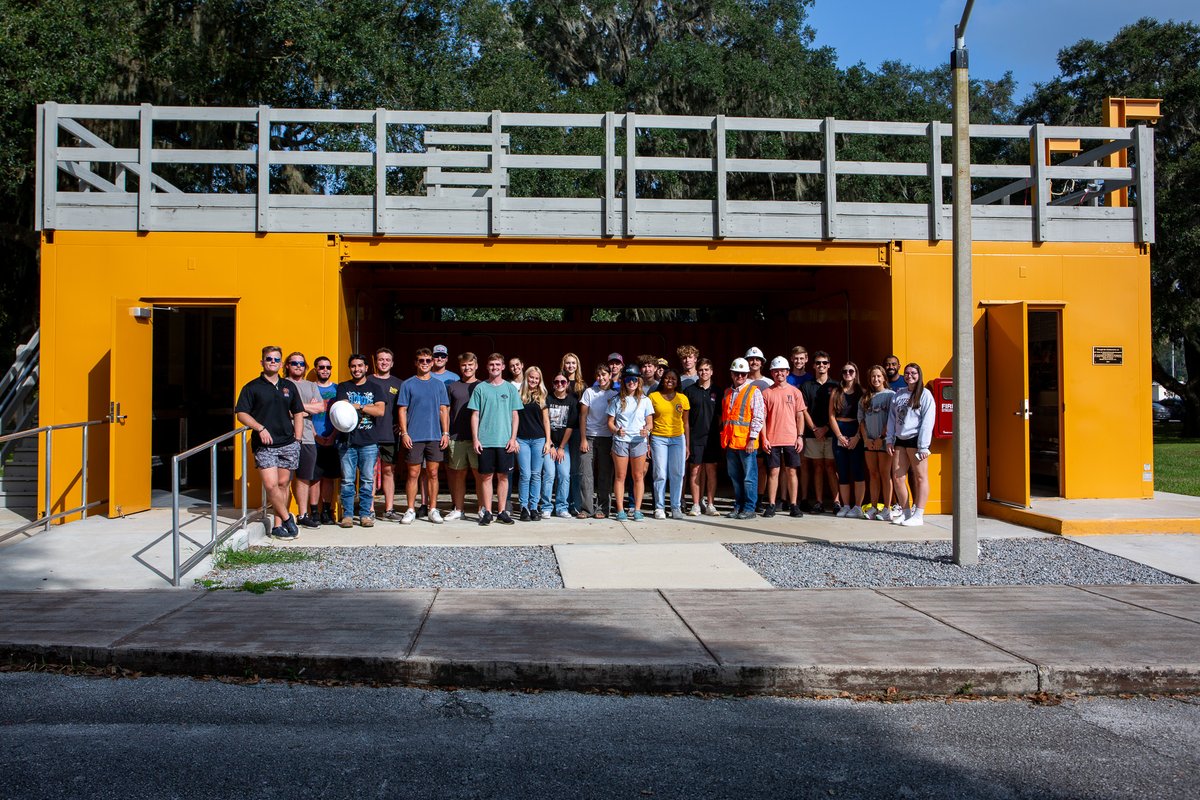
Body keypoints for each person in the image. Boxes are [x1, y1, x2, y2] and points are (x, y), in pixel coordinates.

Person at [235, 345, 305, 539]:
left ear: (281, 363)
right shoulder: (252, 387)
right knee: (271, 485)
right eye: (269, 359)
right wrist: (259, 427)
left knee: (283, 484)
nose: (272, 362)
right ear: (262, 362)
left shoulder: (289, 386)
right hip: (264, 445)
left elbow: (298, 412)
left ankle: (278, 526)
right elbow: (241, 413)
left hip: (288, 443)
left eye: (276, 359)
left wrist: (298, 438)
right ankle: (287, 517)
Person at [398, 348, 451, 525]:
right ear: (416, 362)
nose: (425, 363)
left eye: (428, 360)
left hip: (435, 436)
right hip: (414, 436)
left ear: (433, 362)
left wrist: (445, 432)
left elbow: (444, 410)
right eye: (422, 360)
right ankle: (411, 509)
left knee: (433, 473)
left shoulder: (439, 385)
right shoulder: (408, 384)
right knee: (413, 473)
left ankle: (432, 509)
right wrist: (404, 433)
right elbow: (402, 410)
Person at [469, 353, 522, 525]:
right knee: (486, 477)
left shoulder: (510, 389)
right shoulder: (480, 388)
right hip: (485, 441)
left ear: (503, 366)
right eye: (491, 364)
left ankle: (502, 512)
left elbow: (515, 416)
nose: (495, 367)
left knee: (503, 477)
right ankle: (487, 512)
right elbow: (475, 415)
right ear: (487, 366)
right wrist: (476, 439)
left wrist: (513, 439)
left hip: (504, 441)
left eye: (498, 364)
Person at [334, 353, 386, 527]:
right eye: (353, 366)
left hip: (369, 441)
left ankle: (365, 515)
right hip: (347, 441)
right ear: (350, 368)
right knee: (348, 481)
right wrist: (365, 408)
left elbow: (380, 411)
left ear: (366, 368)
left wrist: (359, 406)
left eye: (360, 366)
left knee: (366, 481)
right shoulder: (343, 387)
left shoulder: (375, 387)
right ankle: (347, 515)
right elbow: (342, 410)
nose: (356, 369)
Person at [283, 351, 331, 529]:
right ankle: (283, 515)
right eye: (294, 363)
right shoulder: (281, 384)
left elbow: (320, 407)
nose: (298, 366)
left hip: (308, 438)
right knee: (284, 479)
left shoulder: (311, 385)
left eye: (301, 364)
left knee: (304, 478)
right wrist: (305, 409)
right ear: (287, 365)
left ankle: (302, 514)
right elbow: (282, 409)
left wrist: (295, 409)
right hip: (286, 438)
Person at [886, 362, 935, 527]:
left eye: (913, 373)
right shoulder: (898, 394)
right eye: (906, 373)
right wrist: (889, 440)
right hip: (900, 440)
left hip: (916, 440)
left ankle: (919, 514)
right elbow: (892, 419)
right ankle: (906, 513)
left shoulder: (925, 395)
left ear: (919, 374)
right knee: (898, 477)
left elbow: (928, 421)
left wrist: (923, 446)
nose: (910, 376)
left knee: (921, 477)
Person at [720, 357, 765, 520]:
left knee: (749, 478)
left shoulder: (754, 392)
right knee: (735, 477)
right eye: (737, 374)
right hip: (731, 441)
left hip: (747, 443)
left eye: (743, 374)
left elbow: (758, 417)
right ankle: (738, 506)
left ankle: (749, 508)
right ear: (732, 374)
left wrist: (753, 439)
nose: (740, 376)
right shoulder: (727, 392)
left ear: (747, 374)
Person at [608, 365, 654, 521]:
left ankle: (637, 509)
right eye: (628, 379)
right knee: (620, 476)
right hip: (621, 441)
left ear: (639, 381)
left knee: (638, 476)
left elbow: (650, 423)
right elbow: (610, 422)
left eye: (634, 379)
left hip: (638, 441)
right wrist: (616, 430)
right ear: (623, 381)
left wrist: (646, 430)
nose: (631, 382)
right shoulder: (616, 399)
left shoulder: (646, 400)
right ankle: (620, 510)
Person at [761, 356, 806, 518]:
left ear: (787, 372)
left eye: (782, 370)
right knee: (773, 472)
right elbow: (762, 419)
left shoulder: (795, 392)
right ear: (772, 373)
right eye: (776, 371)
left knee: (792, 472)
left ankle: (794, 505)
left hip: (790, 438)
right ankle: (772, 504)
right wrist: (764, 438)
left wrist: (800, 437)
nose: (779, 373)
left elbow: (800, 416)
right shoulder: (766, 393)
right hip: (772, 439)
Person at [800, 351, 839, 514]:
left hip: (831, 433)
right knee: (817, 467)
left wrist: (827, 428)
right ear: (813, 365)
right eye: (818, 363)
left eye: (824, 362)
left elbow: (839, 410)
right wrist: (815, 429)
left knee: (831, 467)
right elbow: (803, 410)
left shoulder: (836, 386)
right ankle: (819, 502)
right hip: (813, 433)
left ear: (829, 365)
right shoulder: (807, 386)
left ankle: (836, 502)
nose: (821, 365)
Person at [648, 369, 690, 520]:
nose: (670, 381)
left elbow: (685, 423)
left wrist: (687, 445)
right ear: (662, 380)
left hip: (678, 439)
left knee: (678, 473)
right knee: (660, 473)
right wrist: (648, 442)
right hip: (658, 438)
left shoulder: (682, 398)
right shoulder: (653, 397)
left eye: (673, 378)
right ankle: (659, 507)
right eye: (666, 378)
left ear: (677, 381)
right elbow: (649, 421)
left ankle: (675, 507)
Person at [683, 357, 722, 516]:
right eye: (701, 370)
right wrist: (687, 442)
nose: (704, 372)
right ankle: (696, 504)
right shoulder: (689, 391)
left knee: (711, 470)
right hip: (695, 438)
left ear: (711, 372)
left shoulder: (718, 391)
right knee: (695, 471)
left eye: (707, 369)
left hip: (712, 438)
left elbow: (721, 417)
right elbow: (685, 419)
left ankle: (710, 504)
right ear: (697, 372)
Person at [445, 352, 482, 522]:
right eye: (463, 365)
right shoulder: (453, 387)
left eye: (470, 365)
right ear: (460, 367)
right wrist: (445, 432)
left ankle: (482, 508)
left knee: (479, 475)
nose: (467, 368)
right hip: (457, 436)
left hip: (478, 438)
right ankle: (459, 509)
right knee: (458, 474)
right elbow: (446, 411)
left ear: (476, 366)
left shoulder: (483, 386)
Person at [579, 363, 617, 519]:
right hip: (589, 437)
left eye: (604, 375)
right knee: (586, 474)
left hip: (607, 438)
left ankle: (602, 508)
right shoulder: (589, 392)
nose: (601, 378)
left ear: (609, 376)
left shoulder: (615, 394)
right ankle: (586, 509)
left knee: (605, 474)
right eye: (598, 375)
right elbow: (582, 416)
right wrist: (583, 439)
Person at [830, 362, 867, 518]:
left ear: (856, 373)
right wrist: (839, 435)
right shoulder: (836, 392)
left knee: (858, 470)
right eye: (845, 371)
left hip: (856, 431)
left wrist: (857, 437)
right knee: (842, 470)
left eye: (851, 371)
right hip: (839, 431)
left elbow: (864, 417)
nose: (848, 374)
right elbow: (831, 416)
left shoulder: (862, 392)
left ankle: (857, 506)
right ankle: (845, 505)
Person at [371, 348, 404, 522]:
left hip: (390, 435)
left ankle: (389, 509)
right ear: (376, 362)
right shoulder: (367, 381)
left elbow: (405, 409)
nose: (384, 362)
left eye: (387, 360)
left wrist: (402, 425)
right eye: (381, 359)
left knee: (389, 471)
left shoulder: (399, 384)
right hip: (369, 435)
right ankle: (368, 509)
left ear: (392, 363)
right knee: (368, 473)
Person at [859, 364, 895, 521]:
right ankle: (874, 507)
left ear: (884, 378)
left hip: (884, 441)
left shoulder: (891, 395)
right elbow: (861, 420)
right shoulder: (865, 397)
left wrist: (882, 437)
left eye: (879, 376)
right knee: (873, 474)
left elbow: (892, 419)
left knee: (885, 474)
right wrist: (866, 438)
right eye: (873, 376)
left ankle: (887, 508)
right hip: (869, 442)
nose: (876, 379)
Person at [515, 366, 552, 521]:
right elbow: (513, 418)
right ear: (526, 377)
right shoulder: (518, 395)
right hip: (522, 439)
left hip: (538, 439)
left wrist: (548, 441)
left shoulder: (542, 396)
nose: (534, 381)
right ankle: (523, 507)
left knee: (536, 475)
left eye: (537, 378)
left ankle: (533, 507)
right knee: (525, 474)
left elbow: (546, 420)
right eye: (531, 377)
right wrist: (513, 439)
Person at [309, 355, 341, 524]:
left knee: (329, 478)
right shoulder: (310, 388)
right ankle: (314, 511)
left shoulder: (337, 389)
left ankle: (327, 511)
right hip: (313, 439)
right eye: (321, 367)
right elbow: (305, 415)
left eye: (328, 367)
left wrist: (332, 436)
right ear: (315, 369)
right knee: (314, 478)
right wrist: (315, 436)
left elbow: (341, 416)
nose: (325, 370)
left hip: (332, 439)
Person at [544, 372, 580, 519]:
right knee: (549, 475)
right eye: (556, 382)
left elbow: (570, 426)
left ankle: (561, 507)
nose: (560, 384)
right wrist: (551, 445)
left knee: (565, 474)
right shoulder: (547, 399)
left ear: (567, 384)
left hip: (563, 445)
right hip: (548, 443)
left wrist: (560, 447)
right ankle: (546, 506)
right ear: (552, 384)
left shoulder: (572, 401)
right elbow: (544, 422)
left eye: (563, 382)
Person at [559, 352, 587, 515]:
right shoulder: (558, 381)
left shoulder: (582, 386)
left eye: (573, 363)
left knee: (575, 470)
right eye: (568, 363)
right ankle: (562, 503)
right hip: (561, 430)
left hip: (576, 430)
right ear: (563, 365)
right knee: (563, 470)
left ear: (577, 366)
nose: (570, 366)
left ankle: (575, 504)